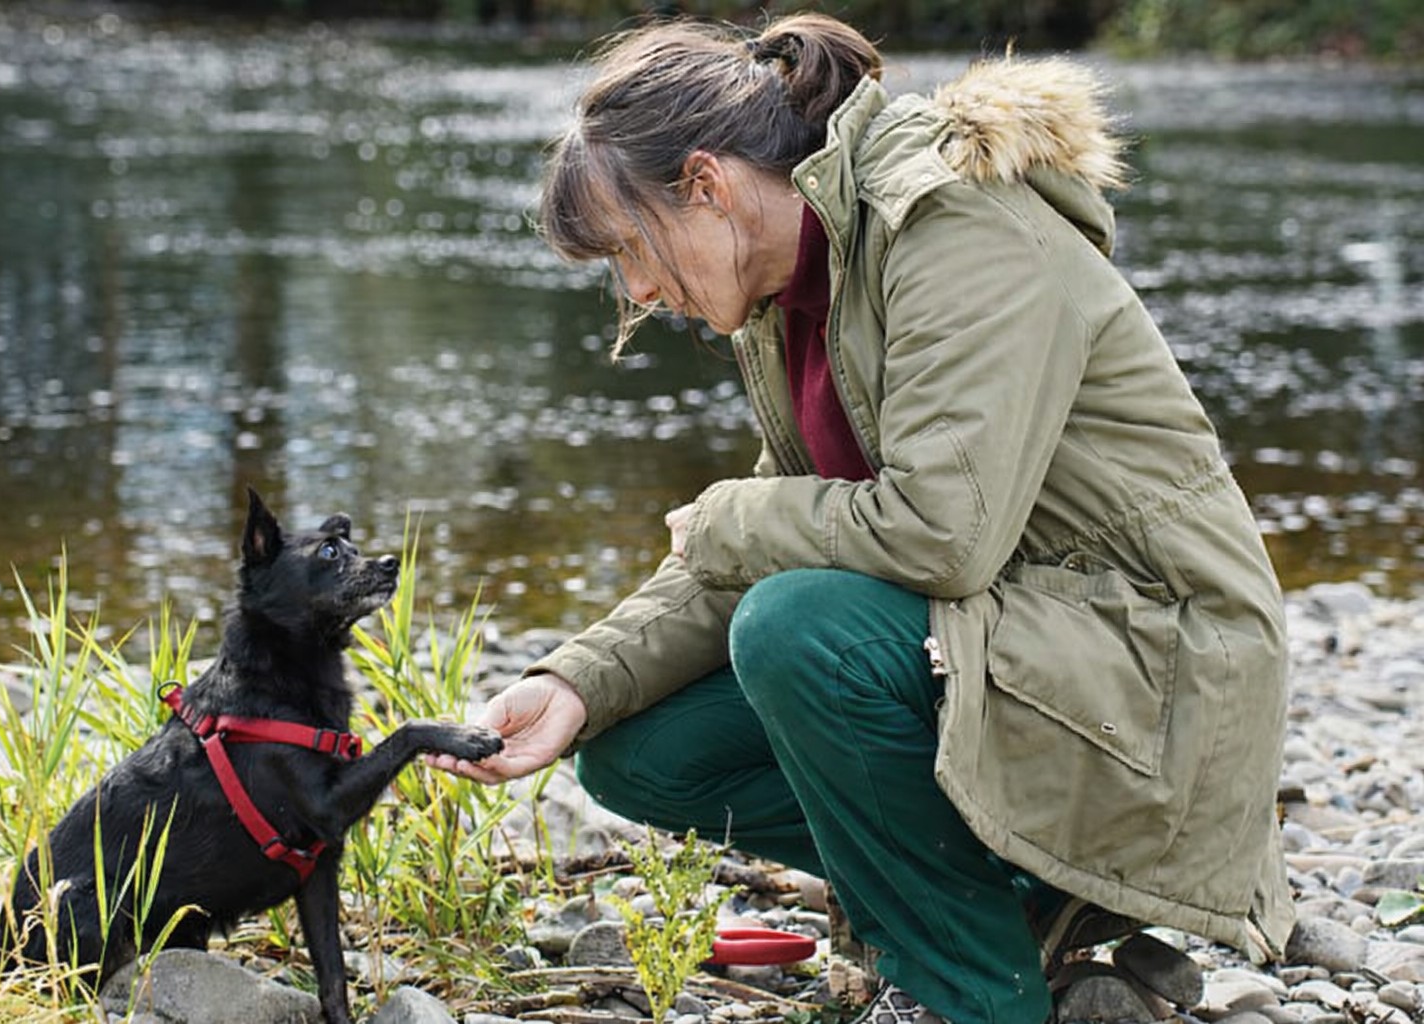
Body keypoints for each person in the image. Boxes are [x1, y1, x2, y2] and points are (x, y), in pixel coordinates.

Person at [426, 13, 1295, 1023]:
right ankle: (1005, 913)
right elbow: (785, 533)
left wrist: (729, 516)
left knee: (798, 627)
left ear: (706, 185)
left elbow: (940, 534)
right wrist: (575, 680)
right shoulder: (794, 291)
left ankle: (968, 996)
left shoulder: (955, 226)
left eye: (632, 249)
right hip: (1027, 657)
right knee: (639, 751)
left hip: (1160, 678)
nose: (640, 290)